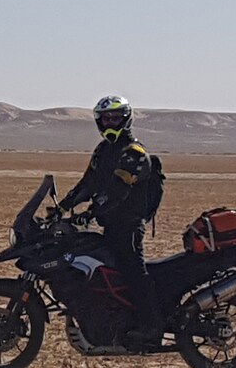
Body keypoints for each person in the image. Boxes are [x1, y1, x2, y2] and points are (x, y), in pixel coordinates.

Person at [59, 95, 164, 345]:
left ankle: (152, 326)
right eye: (106, 118)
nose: (110, 123)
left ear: (126, 119)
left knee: (133, 271)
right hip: (110, 225)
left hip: (128, 226)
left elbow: (118, 190)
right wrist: (62, 206)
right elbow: (88, 183)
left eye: (115, 118)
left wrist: (92, 211)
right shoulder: (103, 151)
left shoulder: (134, 153)